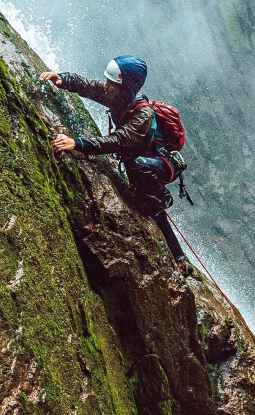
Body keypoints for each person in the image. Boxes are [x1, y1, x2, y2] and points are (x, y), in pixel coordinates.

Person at [40, 56, 191, 274]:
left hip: (158, 163)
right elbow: (88, 86)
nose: (105, 85)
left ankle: (177, 251)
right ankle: (179, 257)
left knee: (152, 204)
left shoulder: (142, 115)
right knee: (138, 177)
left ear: (125, 88)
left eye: (111, 83)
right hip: (139, 160)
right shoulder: (120, 97)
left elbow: (117, 141)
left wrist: (77, 143)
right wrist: (62, 78)